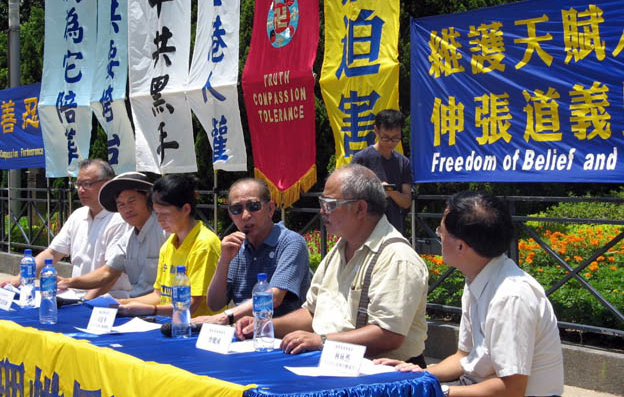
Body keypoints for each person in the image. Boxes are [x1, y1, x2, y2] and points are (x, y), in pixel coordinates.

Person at [376, 191, 564, 397]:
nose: (438, 237)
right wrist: (419, 377)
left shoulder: (511, 297)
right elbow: (463, 357)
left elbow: (512, 389)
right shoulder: (479, 277)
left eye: (441, 232)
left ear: (460, 246)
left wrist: (439, 392)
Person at [235, 164, 428, 363]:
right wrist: (265, 325)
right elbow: (312, 312)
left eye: (330, 204)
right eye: (322, 202)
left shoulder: (396, 257)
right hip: (335, 362)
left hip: (384, 373)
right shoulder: (341, 248)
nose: (322, 211)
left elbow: (389, 335)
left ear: (360, 208)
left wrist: (322, 341)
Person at [0, 159, 130, 298]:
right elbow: (52, 253)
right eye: (78, 184)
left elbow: (110, 275)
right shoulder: (78, 215)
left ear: (107, 184)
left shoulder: (120, 219)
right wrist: (19, 278)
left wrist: (84, 301)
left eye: (87, 184)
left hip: (110, 299)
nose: (81, 190)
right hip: (76, 294)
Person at [194, 178, 311, 326]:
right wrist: (223, 261)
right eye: (237, 209)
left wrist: (226, 317)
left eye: (253, 206)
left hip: (279, 332)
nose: (245, 216)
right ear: (230, 215)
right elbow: (215, 304)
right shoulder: (236, 247)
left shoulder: (290, 242)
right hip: (241, 329)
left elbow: (274, 297)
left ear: (270, 209)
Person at [117, 174, 222, 317]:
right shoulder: (168, 245)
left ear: (186, 209)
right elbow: (158, 295)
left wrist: (151, 310)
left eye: (165, 213)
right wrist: (121, 303)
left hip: (196, 325)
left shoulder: (205, 244)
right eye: (157, 213)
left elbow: (191, 305)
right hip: (171, 322)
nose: (160, 219)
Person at [57, 172, 166, 299]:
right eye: (121, 204)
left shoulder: (165, 231)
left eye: (132, 201)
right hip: (133, 304)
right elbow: (107, 272)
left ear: (148, 198)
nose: (127, 209)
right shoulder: (127, 240)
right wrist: (68, 282)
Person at [351, 109, 412, 233]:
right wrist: (376, 191)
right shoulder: (361, 159)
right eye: (386, 137)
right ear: (376, 130)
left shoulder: (403, 162)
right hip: (365, 229)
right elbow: (350, 196)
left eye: (395, 138)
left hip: (393, 229)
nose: (390, 142)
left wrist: (391, 191)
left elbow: (406, 202)